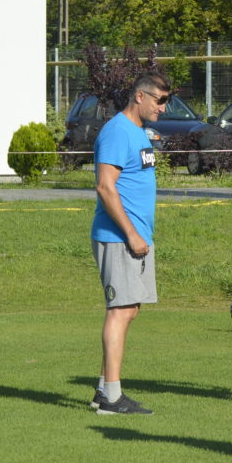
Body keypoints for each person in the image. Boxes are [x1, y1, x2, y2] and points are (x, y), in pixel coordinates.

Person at [89, 72, 170, 415]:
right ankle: (111, 398)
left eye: (166, 102)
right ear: (140, 96)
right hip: (119, 237)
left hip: (136, 237)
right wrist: (131, 234)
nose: (163, 108)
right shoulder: (117, 131)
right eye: (160, 101)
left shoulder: (139, 133)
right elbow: (105, 187)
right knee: (120, 311)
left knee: (129, 309)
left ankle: (103, 390)